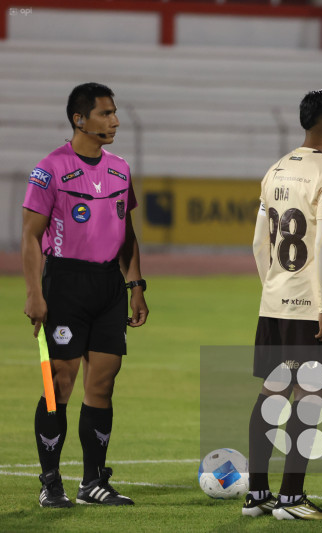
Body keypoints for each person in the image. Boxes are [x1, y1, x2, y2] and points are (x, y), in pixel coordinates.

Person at [22, 82, 148, 508]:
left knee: (103, 383)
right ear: (79, 119)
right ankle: (50, 482)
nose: (115, 121)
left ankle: (94, 482)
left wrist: (135, 285)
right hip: (64, 284)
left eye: (114, 113)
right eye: (105, 113)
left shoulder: (121, 168)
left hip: (109, 286)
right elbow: (30, 236)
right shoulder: (49, 169)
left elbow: (127, 232)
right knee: (58, 382)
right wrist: (34, 294)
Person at [244, 89, 322, 521]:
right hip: (308, 306)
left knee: (271, 392)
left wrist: (274, 287)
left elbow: (259, 243)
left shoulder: (275, 169)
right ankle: (291, 499)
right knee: (310, 395)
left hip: (274, 303)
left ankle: (257, 494)